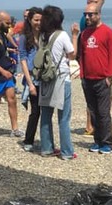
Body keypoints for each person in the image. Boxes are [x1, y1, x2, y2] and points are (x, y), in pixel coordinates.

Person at [78, 1, 112, 155]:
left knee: (103, 112)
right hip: (87, 79)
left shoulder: (108, 32)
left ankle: (107, 142)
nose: (87, 17)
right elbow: (82, 55)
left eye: (90, 14)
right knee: (93, 112)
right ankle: (97, 140)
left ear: (98, 15)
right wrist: (82, 74)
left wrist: (109, 76)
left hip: (102, 79)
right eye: (85, 14)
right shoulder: (84, 34)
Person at [38, 5, 77, 160]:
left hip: (46, 78)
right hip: (61, 78)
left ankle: (47, 148)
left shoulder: (42, 36)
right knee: (64, 117)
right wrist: (75, 35)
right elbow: (72, 55)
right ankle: (66, 152)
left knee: (46, 115)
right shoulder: (62, 35)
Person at [18, 7, 43, 152]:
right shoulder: (24, 37)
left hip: (45, 78)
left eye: (41, 20)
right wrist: (29, 83)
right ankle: (29, 140)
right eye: (36, 20)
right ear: (29, 20)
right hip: (32, 78)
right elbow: (23, 59)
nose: (39, 23)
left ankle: (46, 140)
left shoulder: (45, 36)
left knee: (46, 111)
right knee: (35, 111)